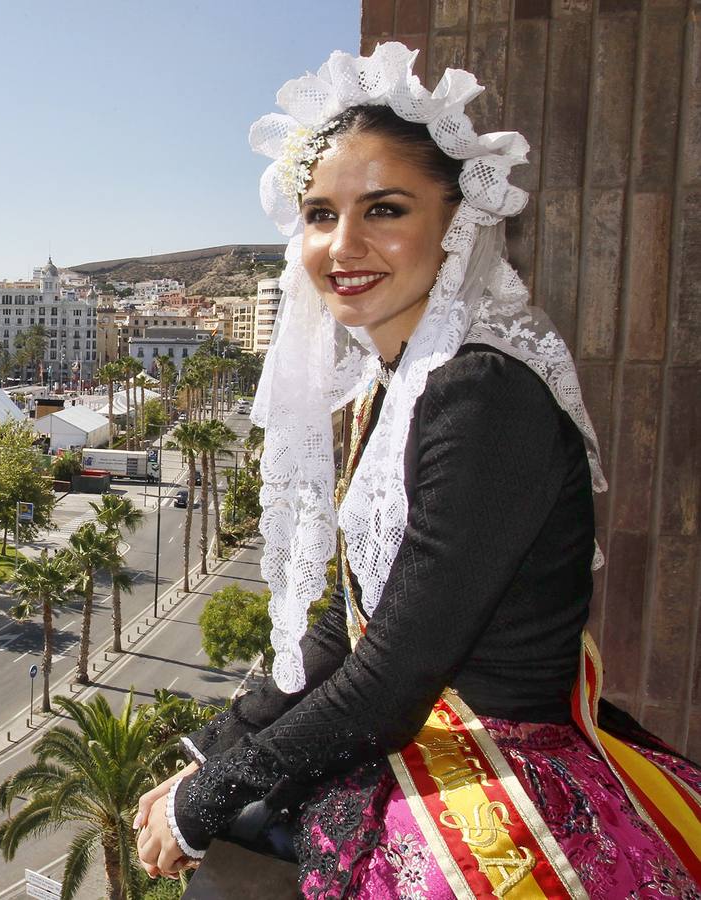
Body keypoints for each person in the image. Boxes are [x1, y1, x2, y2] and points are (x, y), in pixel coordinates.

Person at [134, 43, 701, 898]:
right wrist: (212, 752)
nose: (343, 244)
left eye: (384, 209)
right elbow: (352, 618)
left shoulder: (483, 394)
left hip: (498, 771)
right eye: (320, 214)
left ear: (456, 222)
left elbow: (393, 675)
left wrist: (206, 800)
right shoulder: (395, 385)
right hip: (431, 738)